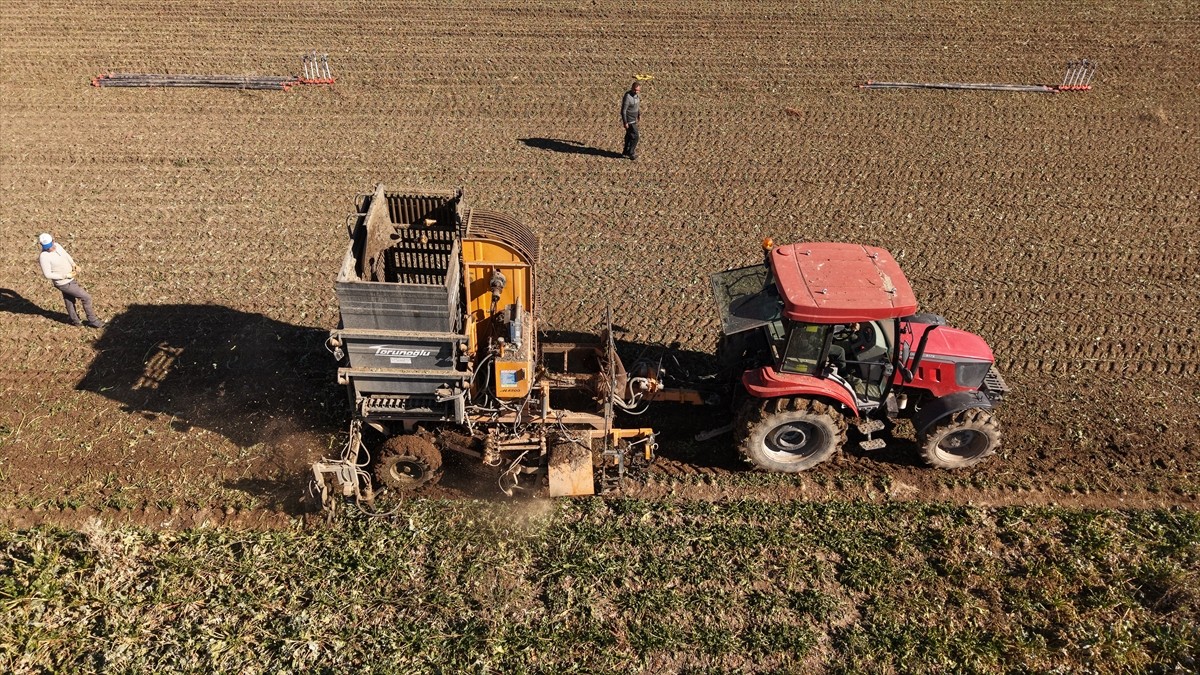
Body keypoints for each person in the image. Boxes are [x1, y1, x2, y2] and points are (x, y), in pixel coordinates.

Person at [37, 233, 104, 328]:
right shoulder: (44, 256)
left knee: (69, 299)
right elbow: (47, 274)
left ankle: (75, 321)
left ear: (53, 240)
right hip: (63, 283)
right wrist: (65, 275)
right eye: (47, 247)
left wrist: (74, 264)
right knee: (86, 297)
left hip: (70, 279)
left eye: (50, 246)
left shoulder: (58, 246)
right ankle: (92, 320)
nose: (50, 249)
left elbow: (66, 255)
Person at [620, 81, 642, 160]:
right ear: (631, 88)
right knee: (635, 136)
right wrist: (625, 122)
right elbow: (623, 110)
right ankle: (631, 153)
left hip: (634, 118)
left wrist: (639, 114)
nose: (636, 92)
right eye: (634, 90)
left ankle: (625, 151)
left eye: (637, 90)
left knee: (629, 136)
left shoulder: (637, 96)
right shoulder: (628, 97)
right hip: (629, 120)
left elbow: (637, 105)